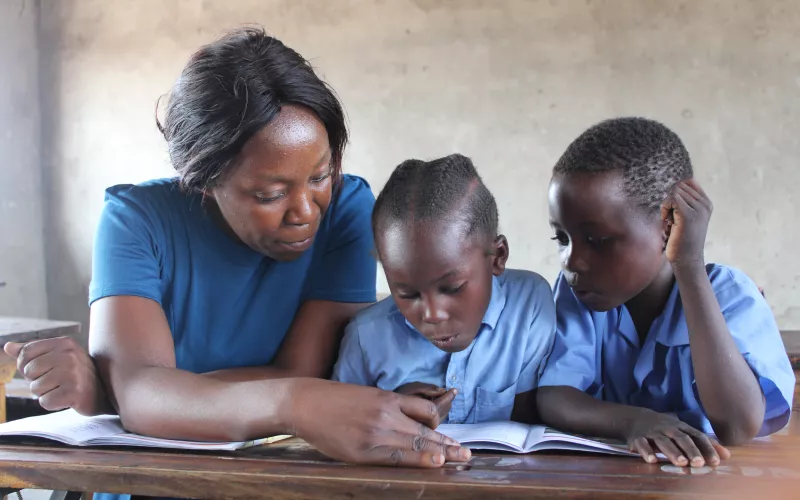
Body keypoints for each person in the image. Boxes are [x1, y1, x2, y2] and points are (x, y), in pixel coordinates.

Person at [4, 26, 471, 490]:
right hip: (154, 482)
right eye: (269, 194)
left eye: (321, 175)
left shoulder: (347, 211)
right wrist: (295, 402)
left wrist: (128, 389)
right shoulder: (136, 221)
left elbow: (301, 371)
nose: (306, 212)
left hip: (275, 481)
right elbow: (147, 396)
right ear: (203, 179)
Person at [537, 117, 795, 468]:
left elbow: (737, 425)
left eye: (597, 241)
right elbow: (555, 396)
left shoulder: (729, 295)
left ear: (669, 226)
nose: (573, 261)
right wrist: (635, 421)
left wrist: (688, 262)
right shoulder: (577, 297)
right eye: (562, 238)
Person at [331, 154, 556, 425]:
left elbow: (530, 425)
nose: (432, 314)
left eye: (452, 288)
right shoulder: (366, 337)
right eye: (408, 294)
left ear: (497, 256)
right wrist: (387, 409)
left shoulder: (528, 305)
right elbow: (338, 426)